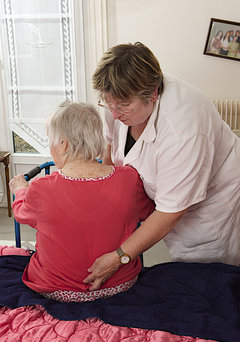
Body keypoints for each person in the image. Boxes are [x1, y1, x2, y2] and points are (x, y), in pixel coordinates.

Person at [83, 41, 240, 291]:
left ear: (153, 94)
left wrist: (120, 257)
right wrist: (101, 192)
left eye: (122, 106)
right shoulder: (118, 100)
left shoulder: (184, 130)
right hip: (170, 195)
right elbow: (111, 148)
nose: (114, 113)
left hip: (212, 206)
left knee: (207, 280)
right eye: (107, 103)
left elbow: (170, 212)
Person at [9, 101, 154, 302]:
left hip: (55, 288)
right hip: (119, 284)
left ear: (63, 143)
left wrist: (20, 190)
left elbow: (21, 213)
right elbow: (148, 212)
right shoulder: (129, 179)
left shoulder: (41, 187)